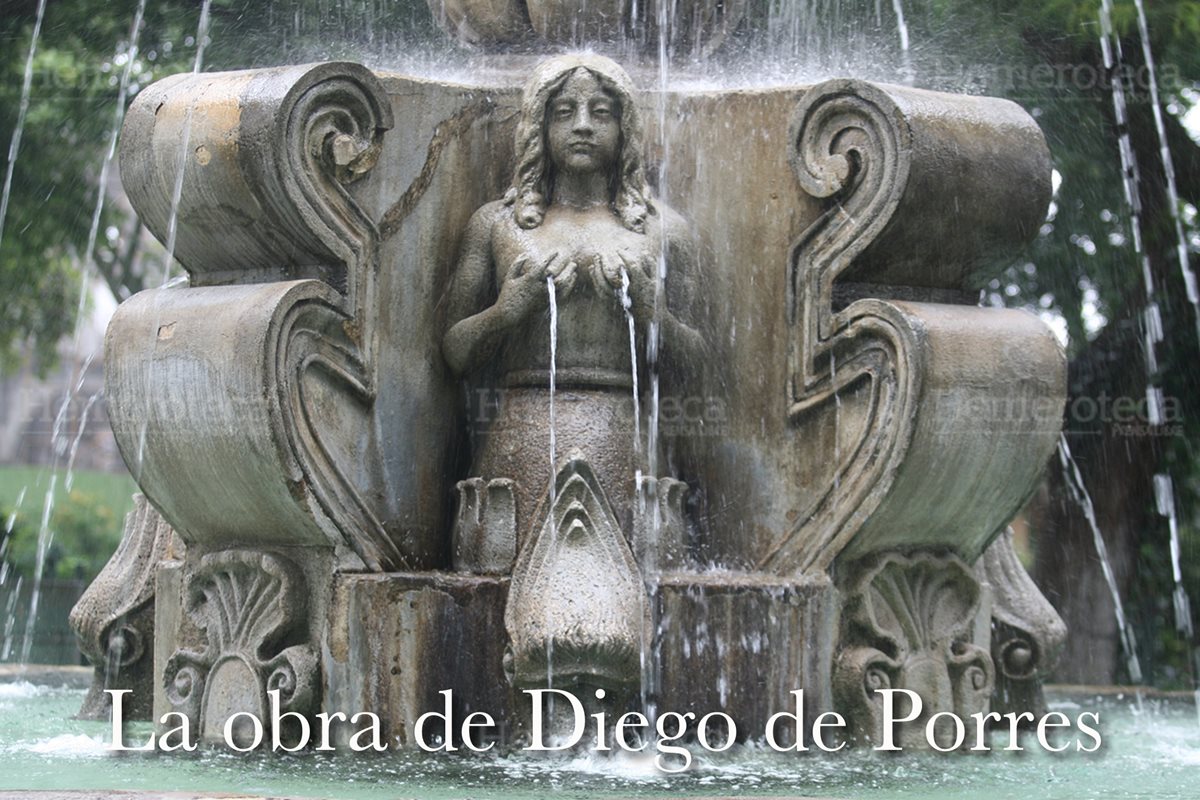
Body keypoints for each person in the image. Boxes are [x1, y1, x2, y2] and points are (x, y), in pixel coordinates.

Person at [443, 53, 703, 547]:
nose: (582, 126)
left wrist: (655, 316)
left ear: (624, 125)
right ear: (539, 125)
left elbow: (703, 366)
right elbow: (453, 352)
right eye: (564, 112)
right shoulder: (498, 225)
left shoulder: (664, 232)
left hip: (630, 441)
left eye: (600, 112)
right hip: (519, 439)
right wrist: (505, 313)